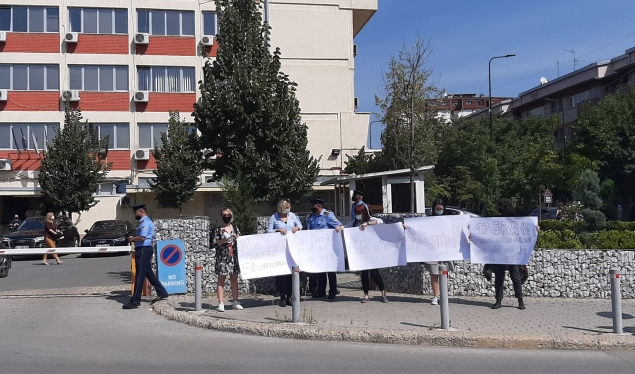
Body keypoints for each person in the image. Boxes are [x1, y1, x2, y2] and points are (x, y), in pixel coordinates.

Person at [489, 198, 538, 310]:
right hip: (500, 253)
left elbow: (526, 231)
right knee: (499, 277)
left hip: (513, 253)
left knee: (515, 277)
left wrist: (535, 229)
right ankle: (498, 300)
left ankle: (520, 300)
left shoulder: (517, 219)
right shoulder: (497, 220)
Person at [122, 204, 169, 310]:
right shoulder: (144, 222)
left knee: (140, 275)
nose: (135, 214)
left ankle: (135, 300)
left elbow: (142, 238)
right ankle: (162, 292)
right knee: (148, 273)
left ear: (140, 212)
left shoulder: (145, 222)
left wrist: (132, 239)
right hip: (143, 249)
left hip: (143, 249)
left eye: (136, 213)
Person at [345, 204, 388, 303]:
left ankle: (383, 293)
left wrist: (367, 224)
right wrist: (339, 228)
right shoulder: (354, 223)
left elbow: (380, 222)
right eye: (356, 214)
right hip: (361, 252)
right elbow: (345, 227)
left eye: (359, 214)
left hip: (371, 251)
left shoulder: (370, 219)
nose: (357, 215)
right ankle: (366, 295)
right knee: (364, 273)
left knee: (374, 272)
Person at [267, 198, 302, 307]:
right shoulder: (274, 217)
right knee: (282, 274)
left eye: (289, 207)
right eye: (286, 207)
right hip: (280, 249)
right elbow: (268, 231)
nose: (288, 209)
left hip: (292, 248)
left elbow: (300, 225)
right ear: (282, 207)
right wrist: (277, 230)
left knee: (291, 273)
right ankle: (282, 297)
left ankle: (290, 296)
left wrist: (297, 228)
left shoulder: (292, 215)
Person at [307, 197, 343, 299]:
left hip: (328, 248)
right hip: (317, 248)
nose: (311, 207)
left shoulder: (328, 215)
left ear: (318, 206)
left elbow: (339, 225)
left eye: (313, 205)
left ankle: (333, 291)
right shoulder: (312, 217)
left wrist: (337, 228)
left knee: (330, 271)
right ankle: (321, 291)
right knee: (320, 271)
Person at [424, 199, 454, 306]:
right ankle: (436, 296)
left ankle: (443, 296)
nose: (439, 210)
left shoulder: (449, 220)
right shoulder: (428, 220)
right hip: (433, 251)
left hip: (445, 251)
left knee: (444, 274)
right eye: (437, 209)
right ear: (433, 209)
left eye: (441, 209)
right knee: (434, 274)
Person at [212, 208, 243, 312]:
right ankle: (221, 303)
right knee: (221, 280)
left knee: (234, 279)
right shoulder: (218, 229)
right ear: (221, 216)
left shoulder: (236, 228)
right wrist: (225, 239)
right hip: (222, 257)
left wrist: (237, 238)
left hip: (233, 257)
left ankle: (235, 302)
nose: (226, 216)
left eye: (228, 214)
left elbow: (241, 242)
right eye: (224, 215)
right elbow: (215, 244)